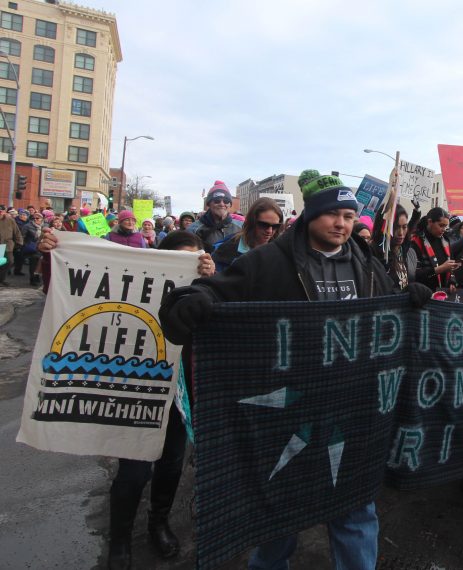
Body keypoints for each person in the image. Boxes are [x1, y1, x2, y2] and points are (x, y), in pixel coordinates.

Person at [159, 170, 430, 570]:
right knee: (277, 523)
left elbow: (386, 313)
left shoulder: (368, 265)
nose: (341, 224)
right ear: (310, 216)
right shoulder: (267, 262)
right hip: (285, 417)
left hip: (352, 415)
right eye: (332, 214)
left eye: (349, 216)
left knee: (356, 516)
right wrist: (191, 300)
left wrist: (408, 299)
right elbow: (213, 291)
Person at [37, 228, 214, 570]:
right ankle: (119, 538)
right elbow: (69, 292)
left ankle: (158, 523)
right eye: (180, 259)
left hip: (179, 398)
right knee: (134, 471)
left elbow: (223, 320)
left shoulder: (205, 289)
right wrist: (51, 259)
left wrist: (211, 281)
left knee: (171, 465)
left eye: (194, 259)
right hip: (136, 388)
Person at [212, 197, 284, 271]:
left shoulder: (282, 251)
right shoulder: (226, 249)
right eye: (264, 225)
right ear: (252, 221)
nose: (270, 231)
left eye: (275, 226)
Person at [371, 203, 419, 292]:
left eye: (404, 227)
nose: (401, 233)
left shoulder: (402, 248)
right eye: (395, 227)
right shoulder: (374, 253)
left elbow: (411, 226)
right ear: (384, 227)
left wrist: (417, 211)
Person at [411, 207, 460, 291]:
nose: (444, 229)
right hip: (423, 292)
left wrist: (452, 281)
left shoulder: (445, 240)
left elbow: (450, 267)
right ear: (430, 222)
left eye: (445, 226)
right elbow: (414, 274)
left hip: (443, 292)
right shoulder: (416, 241)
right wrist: (439, 269)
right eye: (441, 225)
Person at [188, 181, 243, 252]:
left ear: (230, 204)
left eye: (226, 201)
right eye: (217, 201)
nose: (222, 204)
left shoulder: (242, 227)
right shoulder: (193, 229)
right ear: (209, 204)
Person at [0, 206, 23, 286]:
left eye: (2, 211)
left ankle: (1, 279)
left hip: (7, 244)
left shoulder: (10, 220)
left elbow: (16, 231)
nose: (0, 212)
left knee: (9, 261)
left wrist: (19, 242)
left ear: (4, 212)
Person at [21, 211, 44, 285]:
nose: (35, 219)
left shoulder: (44, 226)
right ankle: (32, 279)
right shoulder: (27, 226)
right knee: (33, 264)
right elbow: (22, 237)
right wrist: (25, 244)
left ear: (42, 219)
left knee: (40, 263)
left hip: (42, 247)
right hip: (32, 248)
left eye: (38, 218)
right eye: (34, 218)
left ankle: (37, 276)